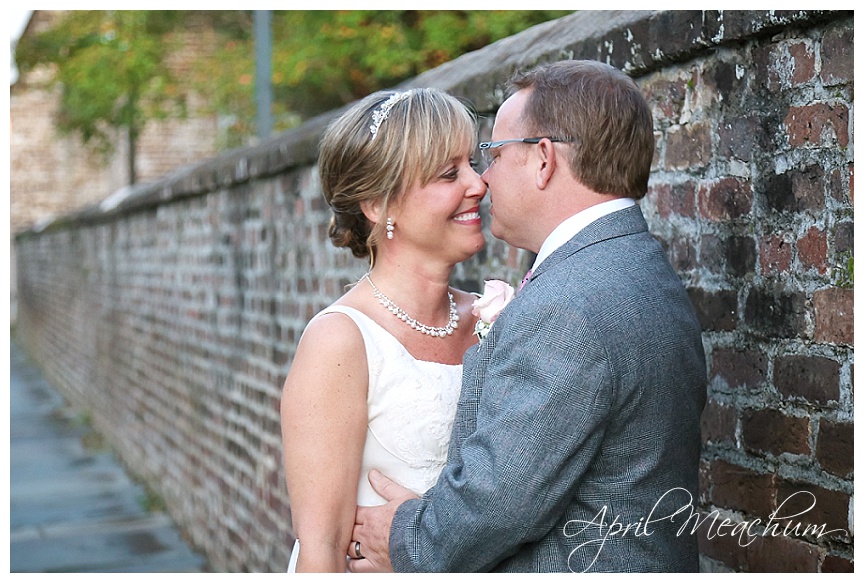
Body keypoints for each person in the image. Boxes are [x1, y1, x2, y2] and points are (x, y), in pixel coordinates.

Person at [347, 60, 707, 572]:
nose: (484, 180)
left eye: (492, 155)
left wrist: (406, 537)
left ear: (543, 159)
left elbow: (498, 503)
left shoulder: (568, 304)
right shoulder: (640, 267)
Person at [280, 87, 487, 572]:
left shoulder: (493, 319)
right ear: (377, 203)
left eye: (473, 164)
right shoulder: (340, 342)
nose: (478, 184)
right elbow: (322, 551)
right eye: (448, 173)